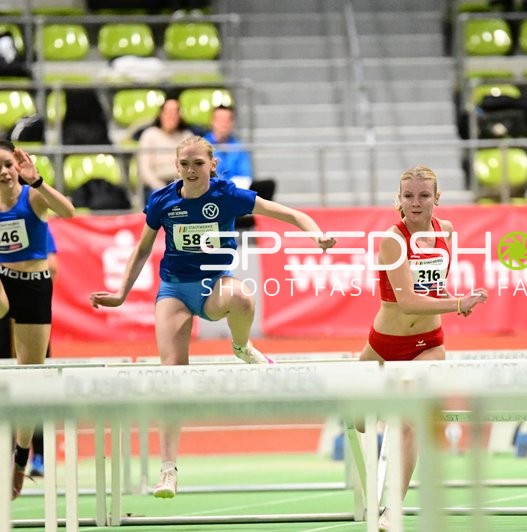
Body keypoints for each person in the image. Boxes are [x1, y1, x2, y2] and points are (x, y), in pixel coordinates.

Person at [89, 136, 336, 499]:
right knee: (172, 378)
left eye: (198, 164)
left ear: (212, 165)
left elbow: (291, 214)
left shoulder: (228, 195)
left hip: (214, 285)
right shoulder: (162, 201)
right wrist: (121, 294)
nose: (191, 170)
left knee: (243, 297)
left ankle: (241, 346)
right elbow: (142, 250)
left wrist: (316, 235)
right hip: (174, 291)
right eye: (184, 164)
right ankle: (168, 472)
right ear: (176, 166)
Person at [357, 165, 488, 530]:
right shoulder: (392, 240)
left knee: (410, 423)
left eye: (424, 195)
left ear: (436, 198)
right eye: (409, 196)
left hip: (428, 344)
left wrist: (451, 299)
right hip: (384, 344)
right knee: (359, 421)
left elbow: (434, 287)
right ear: (399, 199)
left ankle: (392, 510)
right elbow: (407, 302)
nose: (416, 203)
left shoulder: (446, 231)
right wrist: (458, 304)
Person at [0, 141, 76, 500]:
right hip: (2, 283)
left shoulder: (32, 197)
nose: (3, 171)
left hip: (33, 286)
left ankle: (20, 457)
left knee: (30, 377)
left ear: (18, 166)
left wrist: (38, 181)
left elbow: (69, 212)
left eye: (8, 164)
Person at [136, 97, 193, 200]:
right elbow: (145, 170)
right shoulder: (149, 135)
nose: (171, 116)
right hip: (156, 185)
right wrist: (162, 188)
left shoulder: (187, 136)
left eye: (175, 112)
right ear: (160, 114)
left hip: (182, 184)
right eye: (168, 112)